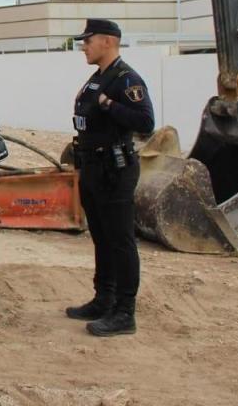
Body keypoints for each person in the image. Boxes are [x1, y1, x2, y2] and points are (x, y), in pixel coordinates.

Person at [68, 18, 154, 337]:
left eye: (88, 41)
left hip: (115, 170)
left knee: (120, 241)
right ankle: (103, 299)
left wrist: (109, 105)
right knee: (102, 238)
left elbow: (146, 122)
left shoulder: (125, 79)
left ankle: (124, 312)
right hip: (92, 167)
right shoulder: (98, 77)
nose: (84, 47)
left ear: (107, 41)